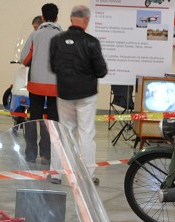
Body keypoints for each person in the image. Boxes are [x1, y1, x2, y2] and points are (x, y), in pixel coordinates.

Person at [50, 5, 107, 185]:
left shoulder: (57, 40)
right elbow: (101, 71)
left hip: (64, 93)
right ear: (86, 20)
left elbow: (53, 67)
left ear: (71, 18)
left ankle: (56, 173)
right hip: (86, 95)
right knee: (86, 134)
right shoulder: (91, 42)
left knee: (64, 133)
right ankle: (87, 175)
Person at [20, 4, 62, 165]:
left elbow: (24, 59)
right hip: (55, 86)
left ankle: (31, 155)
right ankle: (47, 155)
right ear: (56, 18)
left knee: (33, 118)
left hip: (36, 84)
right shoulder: (62, 36)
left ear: (43, 17)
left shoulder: (34, 35)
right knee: (52, 121)